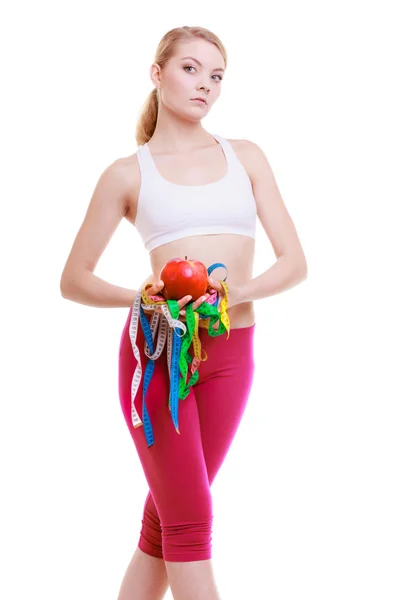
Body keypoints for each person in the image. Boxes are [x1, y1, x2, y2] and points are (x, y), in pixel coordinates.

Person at [60, 25, 307, 600]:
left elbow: (294, 262)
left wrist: (234, 296)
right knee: (190, 524)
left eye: (217, 76)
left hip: (231, 356)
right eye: (191, 69)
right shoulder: (127, 173)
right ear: (158, 74)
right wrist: (139, 298)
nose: (206, 85)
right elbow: (73, 280)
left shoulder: (245, 156)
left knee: (164, 526)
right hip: (157, 356)